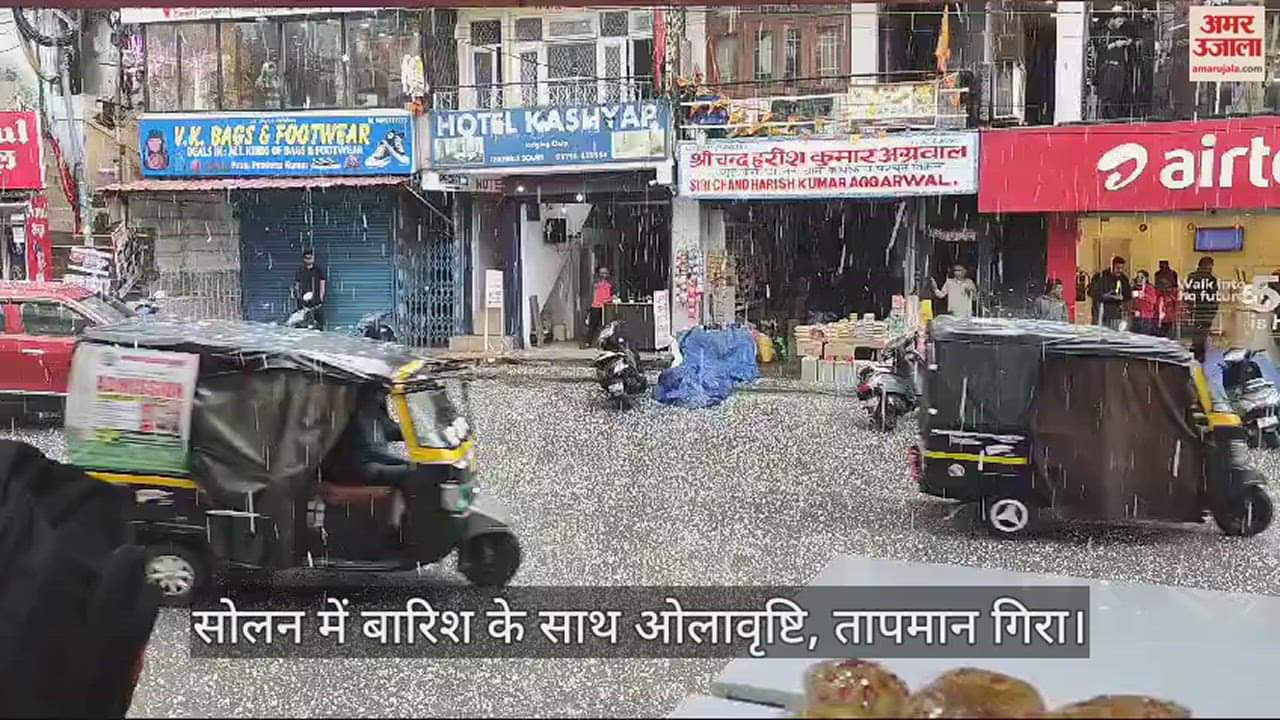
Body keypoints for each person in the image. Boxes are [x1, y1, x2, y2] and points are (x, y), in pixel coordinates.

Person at [1187, 256, 1219, 362]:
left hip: (1195, 309)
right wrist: (1214, 309)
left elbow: (1188, 293)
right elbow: (1214, 296)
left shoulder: (1191, 277)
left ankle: (1195, 354)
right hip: (1207, 310)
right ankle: (1200, 357)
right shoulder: (1211, 279)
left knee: (1196, 333)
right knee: (1203, 334)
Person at [1089, 256, 1132, 331]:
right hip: (1100, 312)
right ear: (1112, 266)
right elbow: (1091, 292)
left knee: (1114, 336)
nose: (1120, 270)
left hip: (1116, 314)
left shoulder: (1124, 279)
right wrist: (1105, 296)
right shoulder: (1100, 277)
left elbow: (1128, 295)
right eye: (1118, 268)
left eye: (1122, 268)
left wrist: (1123, 297)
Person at [293, 249, 327, 329]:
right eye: (306, 258)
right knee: (303, 325)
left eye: (310, 258)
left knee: (318, 324)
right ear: (304, 259)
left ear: (313, 258)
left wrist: (321, 297)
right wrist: (298, 298)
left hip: (316, 302)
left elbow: (322, 284)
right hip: (304, 302)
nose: (308, 260)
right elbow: (297, 285)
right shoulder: (300, 271)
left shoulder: (318, 270)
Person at [584, 267, 614, 347]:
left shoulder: (610, 283)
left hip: (607, 306)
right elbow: (592, 294)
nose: (603, 275)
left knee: (607, 325)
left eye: (605, 273)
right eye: (602, 273)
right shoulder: (596, 283)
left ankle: (606, 343)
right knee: (593, 325)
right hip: (596, 306)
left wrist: (611, 299)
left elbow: (612, 294)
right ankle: (588, 342)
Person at [1154, 260, 1179, 337]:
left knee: (1168, 325)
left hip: (1169, 301)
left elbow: (1175, 287)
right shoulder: (1157, 274)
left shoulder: (1173, 274)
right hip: (1161, 299)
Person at [1131, 270, 1160, 335]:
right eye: (1138, 277)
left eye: (1142, 277)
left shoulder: (1150, 288)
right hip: (1136, 316)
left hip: (1147, 317)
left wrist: (1144, 295)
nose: (1139, 279)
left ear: (1146, 278)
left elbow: (1154, 300)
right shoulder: (1134, 288)